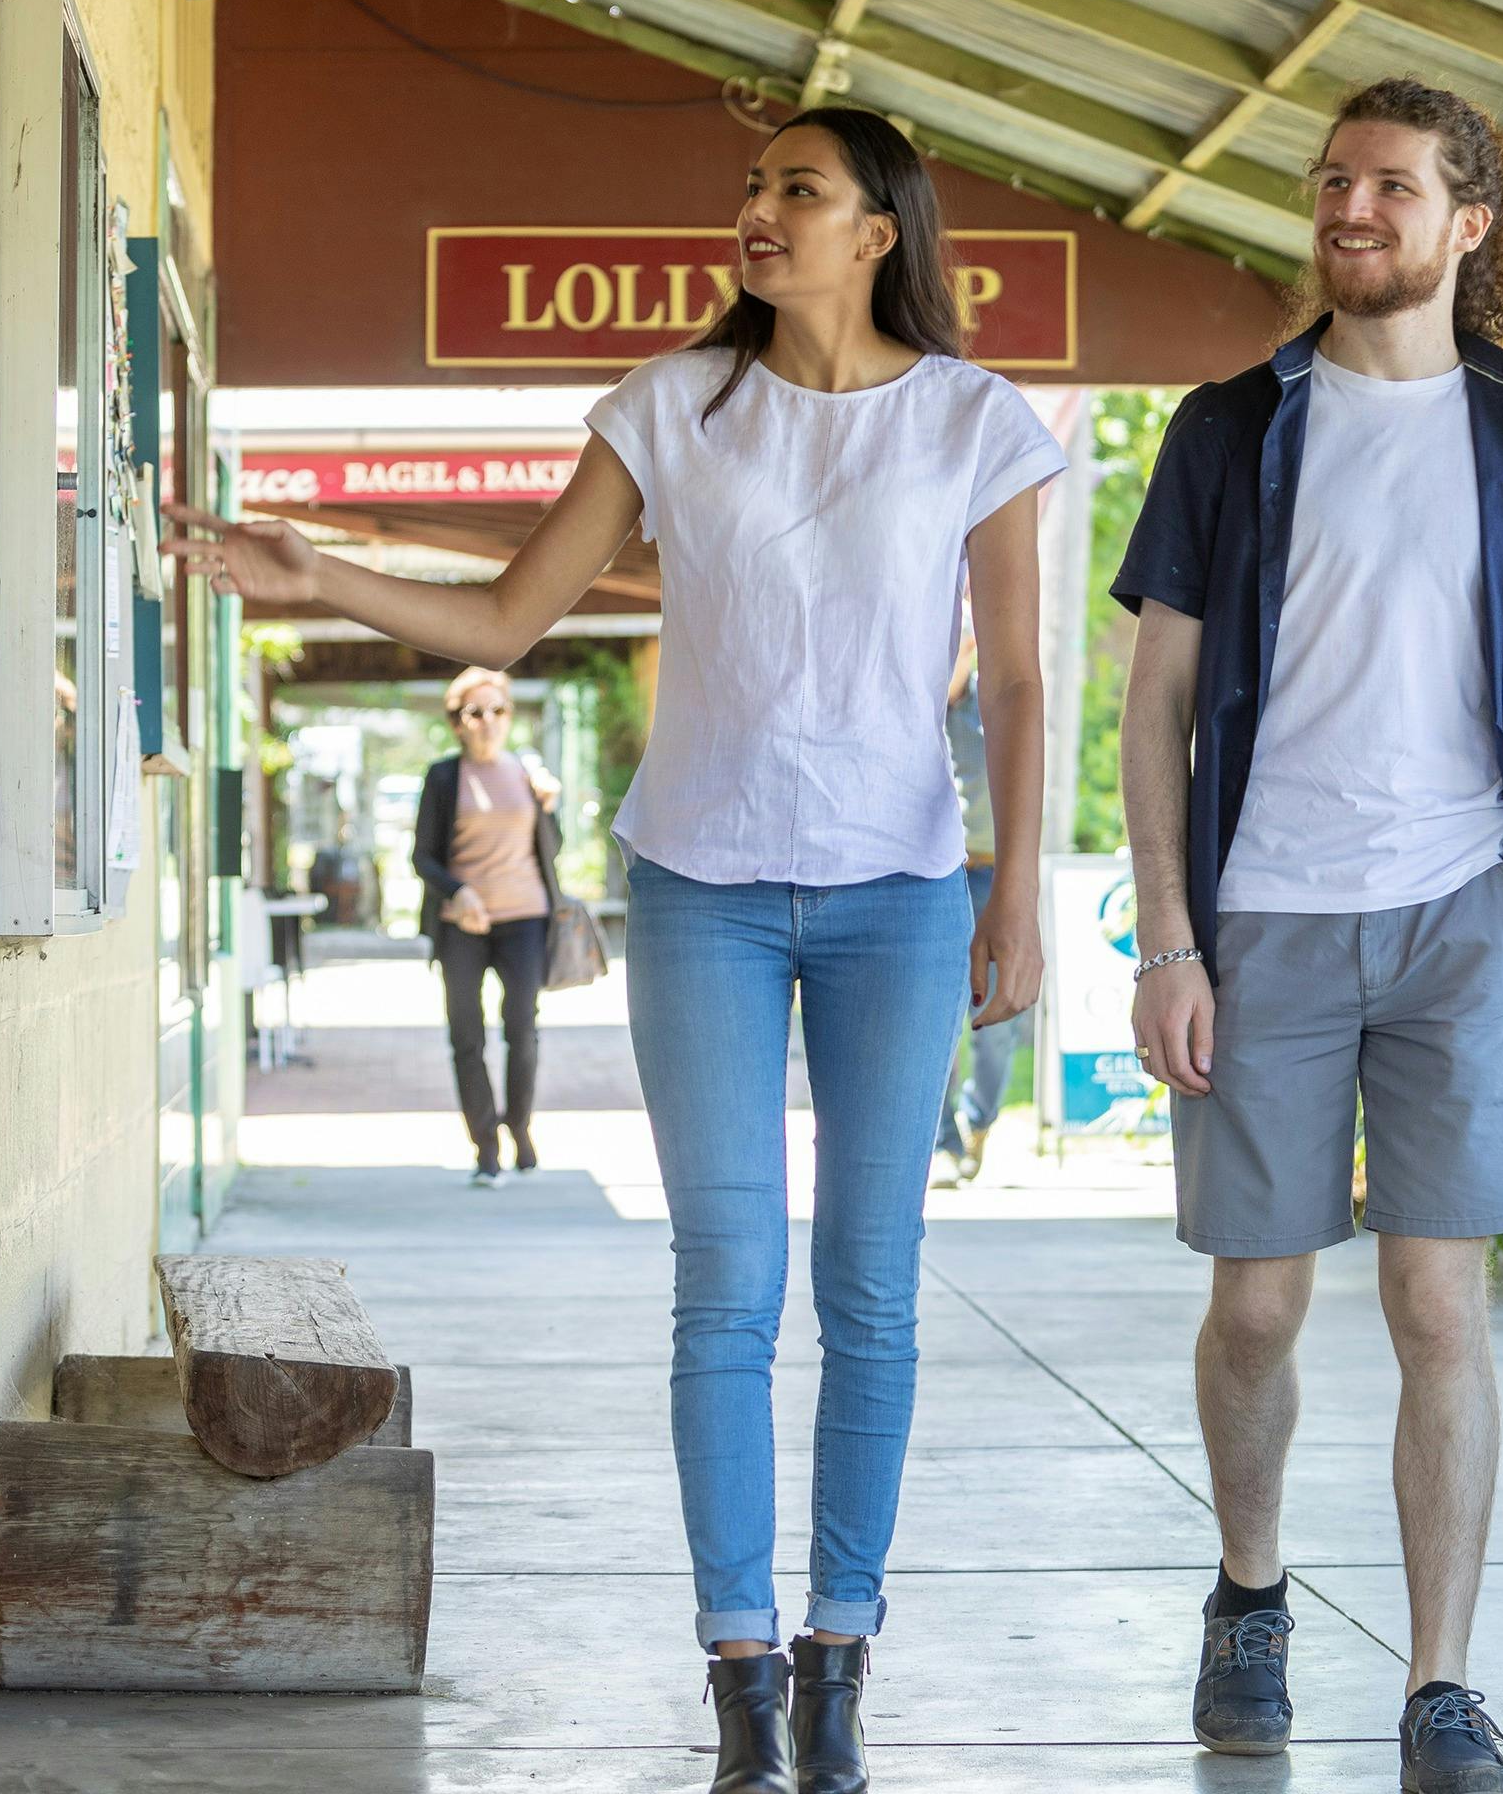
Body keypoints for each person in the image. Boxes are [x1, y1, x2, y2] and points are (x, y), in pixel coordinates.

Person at [164, 104, 1059, 1794]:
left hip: (899, 894)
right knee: (726, 1286)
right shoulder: (673, 406)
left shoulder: (973, 420)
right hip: (703, 891)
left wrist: (1012, 891)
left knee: (871, 1287)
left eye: (799, 190)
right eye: (752, 187)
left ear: (879, 231)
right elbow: (508, 618)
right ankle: (743, 1673)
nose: (760, 211)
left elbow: (1013, 679)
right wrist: (314, 570)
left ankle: (841, 1653)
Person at [1115, 77, 1503, 1794]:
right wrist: (1169, 941)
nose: (1350, 208)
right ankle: (1252, 1592)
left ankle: (1440, 1687)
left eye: (1391, 186)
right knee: (1258, 1310)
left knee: (1437, 1304)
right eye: (1335, 180)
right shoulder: (1229, 429)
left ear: (1469, 223)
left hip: (1452, 923)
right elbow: (1159, 699)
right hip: (1263, 917)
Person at [412, 665, 562, 1187]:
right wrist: (459, 891)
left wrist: (549, 807)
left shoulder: (527, 774)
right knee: (466, 1035)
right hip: (463, 924)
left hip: (525, 917)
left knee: (522, 1029)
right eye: (476, 712)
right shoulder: (443, 777)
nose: (489, 721)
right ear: (457, 722)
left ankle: (519, 1126)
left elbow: (552, 849)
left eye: (499, 710)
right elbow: (422, 857)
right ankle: (485, 1147)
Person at [930, 632, 1021, 1188]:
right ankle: (943, 1141)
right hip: (946, 874)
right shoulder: (949, 696)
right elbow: (943, 691)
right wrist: (961, 649)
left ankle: (979, 1122)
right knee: (937, 1016)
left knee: (995, 1021)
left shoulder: (1011, 693)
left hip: (996, 876)